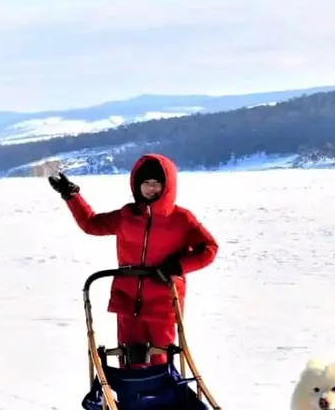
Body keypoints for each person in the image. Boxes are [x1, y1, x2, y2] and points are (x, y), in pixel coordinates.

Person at [48, 153, 218, 366]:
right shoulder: (126, 216)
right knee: (129, 359)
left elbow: (209, 248)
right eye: (145, 183)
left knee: (160, 360)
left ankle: (163, 398)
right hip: (127, 301)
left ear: (168, 185)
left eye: (157, 183)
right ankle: (130, 398)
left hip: (164, 301)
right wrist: (71, 196)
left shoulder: (181, 218)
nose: (151, 188)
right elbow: (91, 224)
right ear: (136, 185)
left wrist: (178, 266)